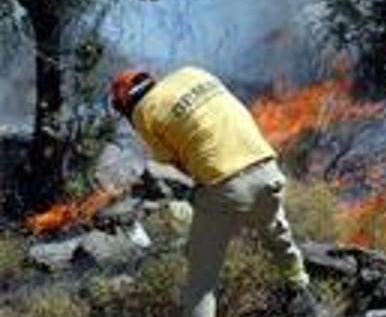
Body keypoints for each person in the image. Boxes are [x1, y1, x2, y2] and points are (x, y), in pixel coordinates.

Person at [110, 66, 323, 317]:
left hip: (227, 187)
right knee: (277, 235)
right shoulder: (193, 73)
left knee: (201, 282)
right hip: (268, 171)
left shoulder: (143, 113)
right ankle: (303, 295)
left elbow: (175, 161)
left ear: (125, 105)